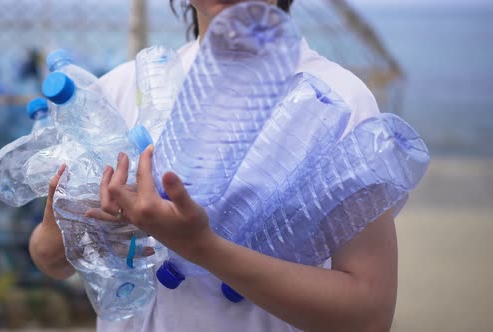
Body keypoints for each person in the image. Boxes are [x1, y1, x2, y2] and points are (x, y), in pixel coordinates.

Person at [29, 1, 398, 331]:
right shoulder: (124, 88)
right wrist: (82, 224)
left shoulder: (338, 100)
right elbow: (49, 259)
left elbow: (368, 313)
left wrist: (202, 248)